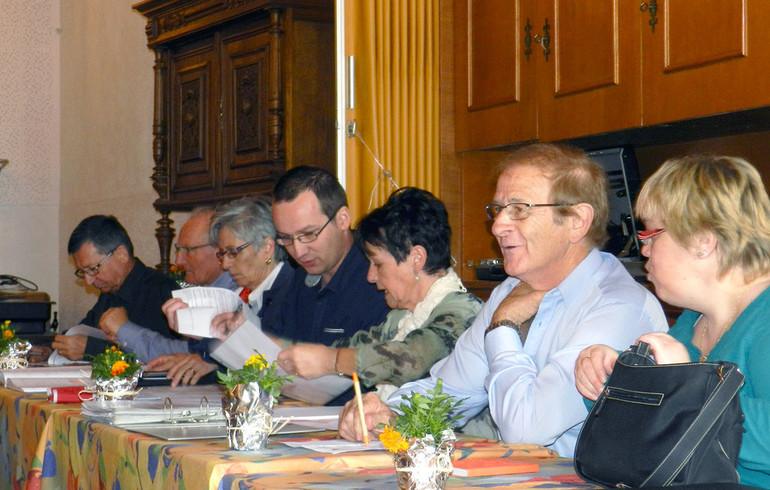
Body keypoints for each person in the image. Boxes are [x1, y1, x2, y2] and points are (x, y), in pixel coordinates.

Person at [338, 143, 668, 457]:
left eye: (519, 210)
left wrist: (503, 328)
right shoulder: (512, 289)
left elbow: (526, 431)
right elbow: (449, 391)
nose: (497, 226)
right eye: (498, 210)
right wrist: (386, 409)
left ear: (577, 222)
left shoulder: (619, 308)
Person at [574, 155, 770, 487]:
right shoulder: (693, 321)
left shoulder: (763, 321)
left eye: (650, 234)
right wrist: (611, 379)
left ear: (702, 241)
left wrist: (685, 386)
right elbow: (655, 424)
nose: (643, 250)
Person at [277, 187, 483, 399]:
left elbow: (411, 359)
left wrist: (331, 361)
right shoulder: (399, 319)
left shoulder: (465, 311)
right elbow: (351, 347)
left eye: (378, 264)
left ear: (417, 258)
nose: (370, 276)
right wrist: (283, 352)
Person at [148, 196, 294, 386]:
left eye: (233, 252)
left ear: (267, 247)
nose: (225, 264)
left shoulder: (293, 291)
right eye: (222, 254)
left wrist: (212, 358)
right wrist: (200, 332)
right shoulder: (249, 294)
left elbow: (278, 367)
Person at [262, 166, 390, 344]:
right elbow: (267, 343)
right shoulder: (296, 281)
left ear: (343, 219)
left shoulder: (379, 280)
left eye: (308, 234)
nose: (298, 252)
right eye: (286, 238)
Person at [98, 207, 238, 362]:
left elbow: (195, 355)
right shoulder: (205, 291)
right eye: (178, 250)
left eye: (188, 250)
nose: (178, 261)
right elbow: (187, 353)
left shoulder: (239, 296)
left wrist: (125, 330)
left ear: (220, 249)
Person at [50, 215, 178, 361]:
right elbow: (83, 331)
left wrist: (92, 350)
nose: (88, 280)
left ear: (121, 254)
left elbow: (163, 356)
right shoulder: (110, 291)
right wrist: (51, 348)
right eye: (83, 272)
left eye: (92, 269)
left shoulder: (160, 291)